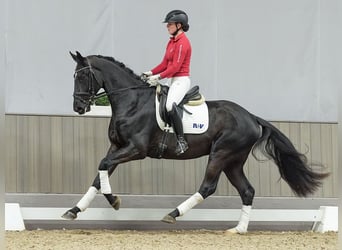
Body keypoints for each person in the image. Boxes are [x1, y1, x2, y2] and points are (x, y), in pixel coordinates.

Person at [142, 10, 192, 155]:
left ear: (179, 25)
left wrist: (158, 77)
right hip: (172, 79)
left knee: (170, 105)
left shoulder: (183, 42)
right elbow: (165, 63)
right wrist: (150, 72)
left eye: (170, 24)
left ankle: (182, 141)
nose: (167, 26)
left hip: (181, 80)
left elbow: (175, 67)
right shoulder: (172, 41)